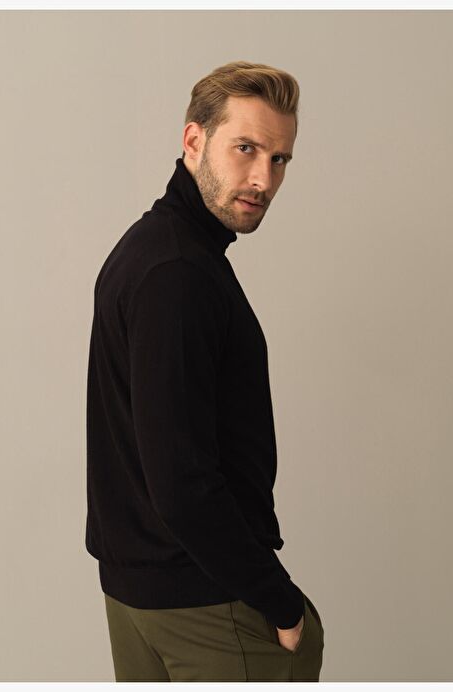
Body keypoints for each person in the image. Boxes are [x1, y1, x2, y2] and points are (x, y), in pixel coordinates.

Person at [85, 60, 325, 682]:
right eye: (246, 148)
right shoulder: (179, 273)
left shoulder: (150, 249)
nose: (263, 178)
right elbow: (181, 481)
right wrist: (278, 600)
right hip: (206, 606)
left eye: (279, 159)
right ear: (194, 140)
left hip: (142, 596)